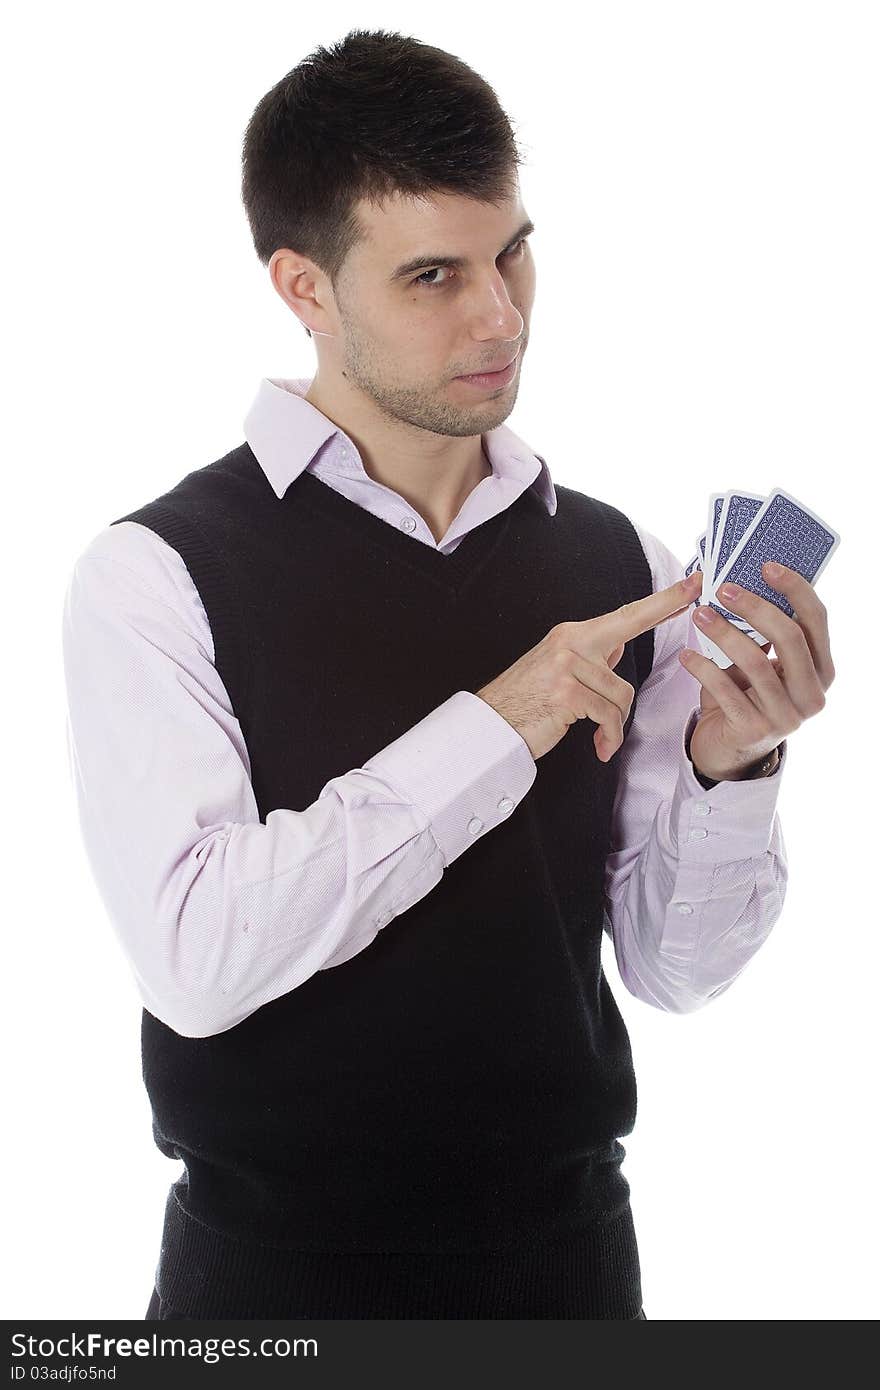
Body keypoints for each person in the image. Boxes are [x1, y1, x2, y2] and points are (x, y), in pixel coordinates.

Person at [61, 27, 833, 1322]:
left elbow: (670, 969)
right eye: (433, 275)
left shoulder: (616, 557)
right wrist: (504, 716)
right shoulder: (154, 576)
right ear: (305, 288)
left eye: (513, 252)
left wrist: (732, 764)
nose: (501, 315)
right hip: (271, 1291)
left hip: (574, 1269)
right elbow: (196, 958)